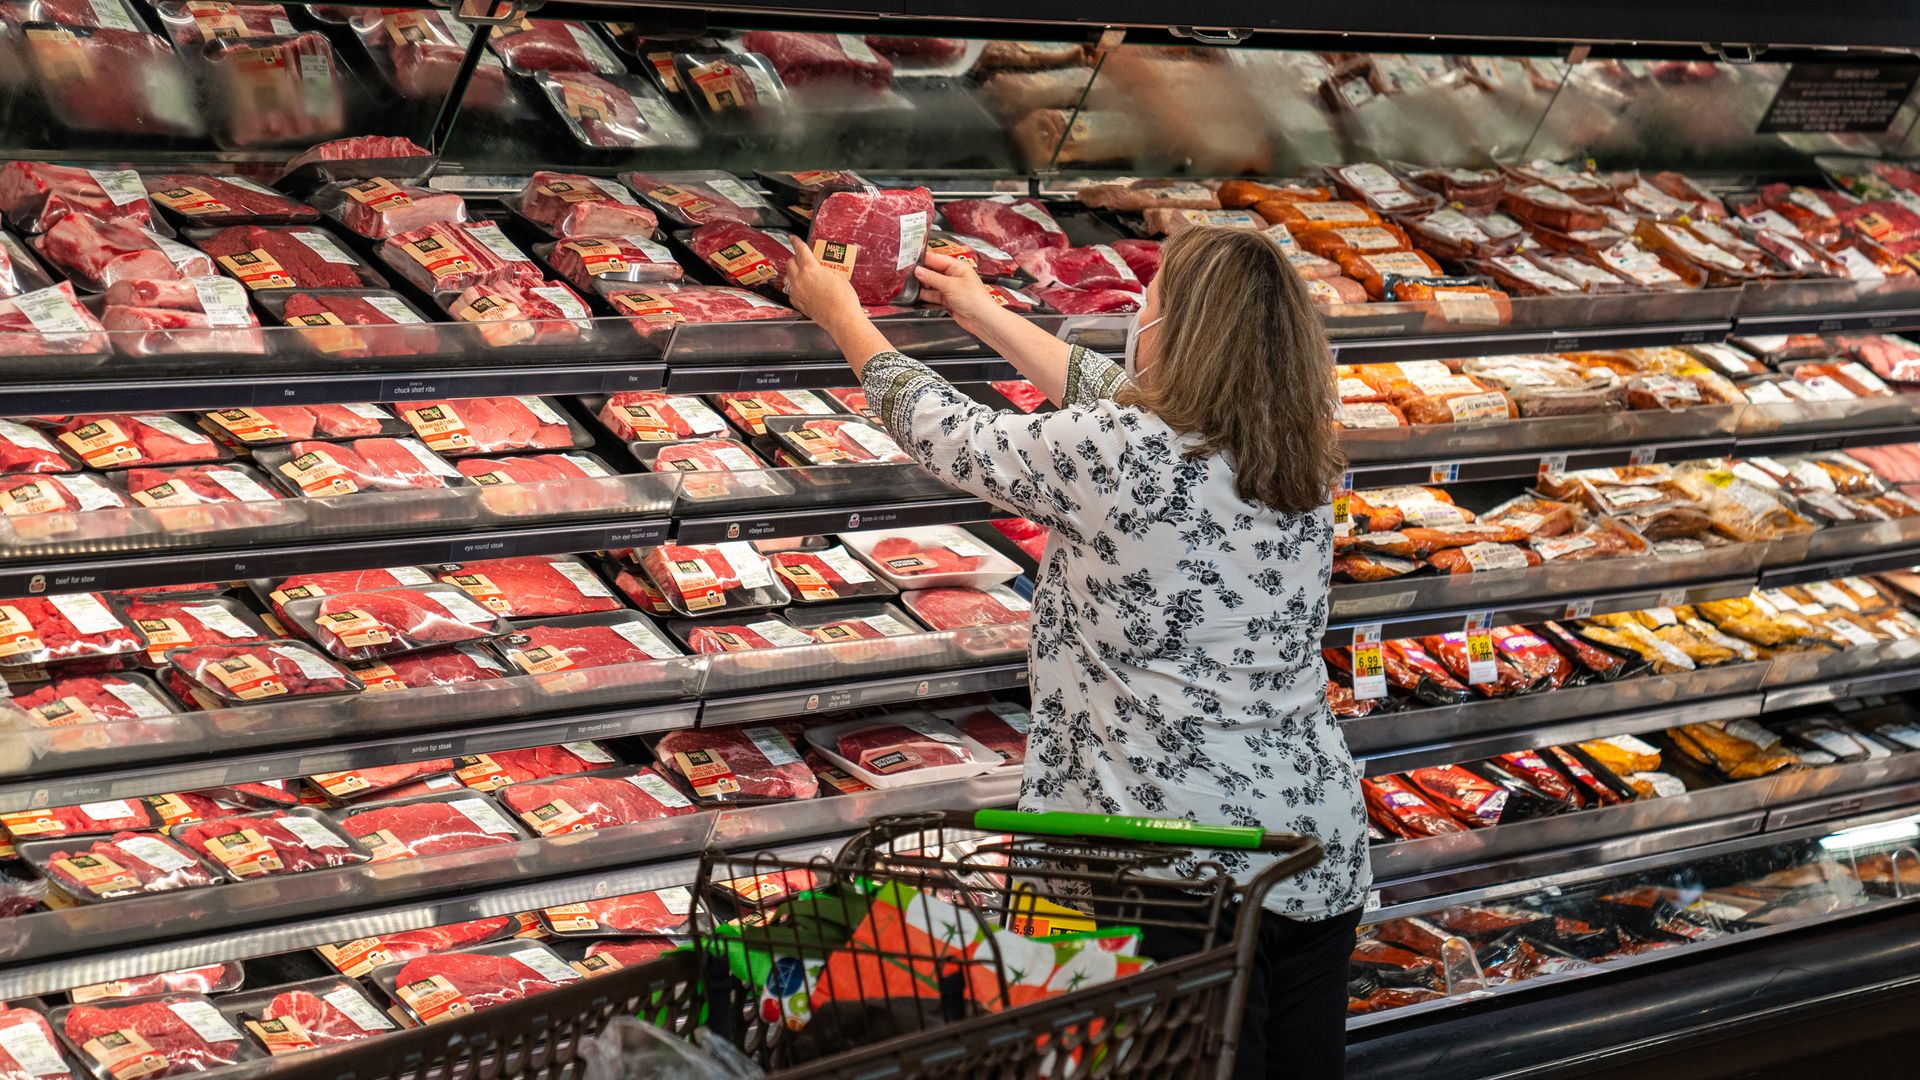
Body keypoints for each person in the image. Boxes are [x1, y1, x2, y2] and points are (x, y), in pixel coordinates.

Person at [783, 226, 1370, 1080]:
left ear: (1184, 332)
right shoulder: (1295, 441)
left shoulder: (1118, 454)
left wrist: (841, 315)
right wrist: (985, 315)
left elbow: (954, 435)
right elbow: (1125, 395)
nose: (1140, 311)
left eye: (1153, 298)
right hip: (1310, 847)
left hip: (1175, 866)